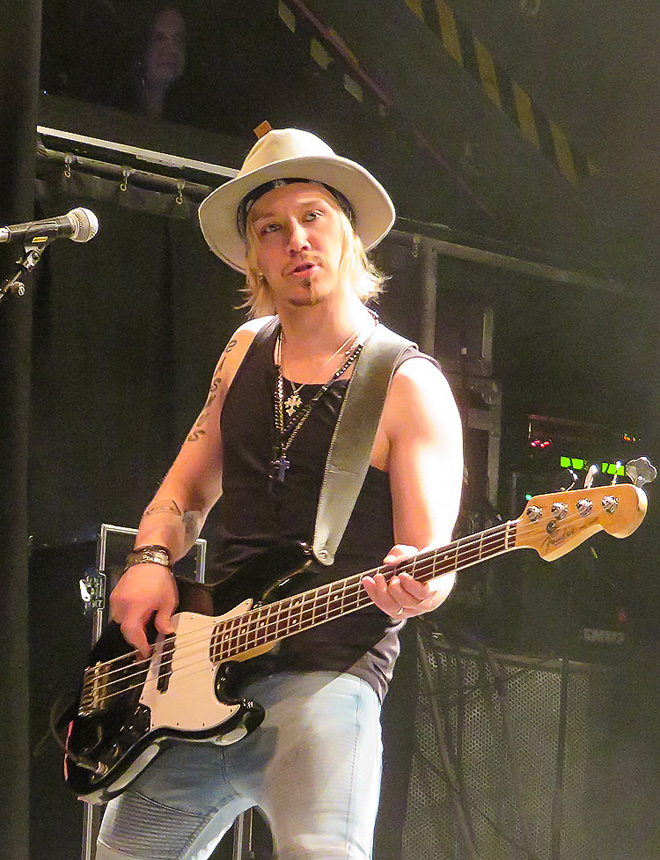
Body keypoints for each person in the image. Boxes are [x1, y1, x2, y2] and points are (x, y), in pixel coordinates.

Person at [97, 127, 464, 860]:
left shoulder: (407, 384)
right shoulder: (244, 350)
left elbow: (434, 560)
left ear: (349, 234)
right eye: (271, 228)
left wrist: (420, 586)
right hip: (201, 675)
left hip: (328, 681)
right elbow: (185, 489)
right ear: (254, 257)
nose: (296, 240)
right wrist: (149, 558)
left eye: (313, 216)